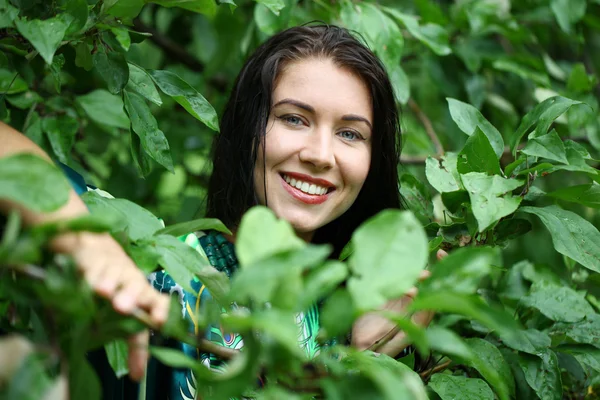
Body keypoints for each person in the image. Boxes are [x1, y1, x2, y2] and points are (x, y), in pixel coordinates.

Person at [0, 24, 440, 399]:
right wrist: (86, 241)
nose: (321, 155)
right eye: (293, 119)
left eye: (350, 133)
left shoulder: (344, 308)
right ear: (248, 129)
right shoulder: (158, 276)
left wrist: (371, 354)